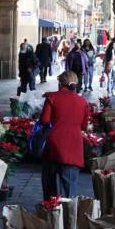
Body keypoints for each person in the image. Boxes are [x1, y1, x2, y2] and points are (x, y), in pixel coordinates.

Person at [40, 71, 90, 199]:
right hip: (73, 147)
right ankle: (67, 215)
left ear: (60, 83)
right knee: (68, 192)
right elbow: (84, 126)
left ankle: (51, 213)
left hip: (54, 145)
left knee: (49, 185)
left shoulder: (52, 97)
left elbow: (45, 121)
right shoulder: (82, 102)